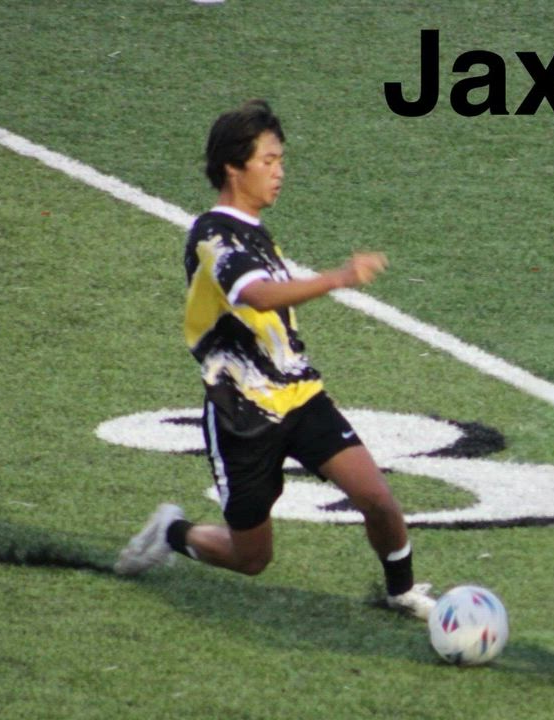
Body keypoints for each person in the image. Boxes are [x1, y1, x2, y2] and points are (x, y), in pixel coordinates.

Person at [114, 99, 435, 619]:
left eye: (281, 160)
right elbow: (256, 296)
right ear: (232, 166)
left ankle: (402, 592)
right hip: (242, 415)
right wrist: (338, 278)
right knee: (252, 558)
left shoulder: (259, 234)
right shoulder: (212, 235)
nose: (279, 172)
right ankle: (172, 532)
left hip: (300, 395)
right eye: (268, 160)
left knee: (376, 497)